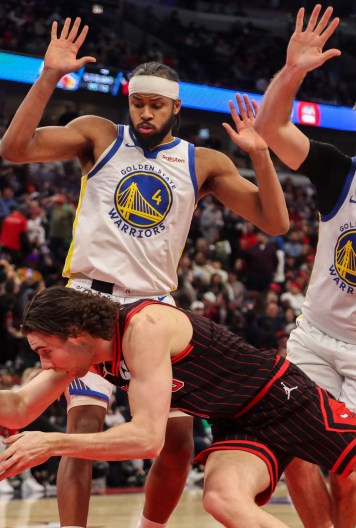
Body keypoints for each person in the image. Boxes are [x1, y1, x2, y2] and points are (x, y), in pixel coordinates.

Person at [0, 17, 289, 528]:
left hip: (154, 309)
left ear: (176, 106)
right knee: (83, 433)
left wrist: (262, 157)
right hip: (89, 300)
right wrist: (48, 77)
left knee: (176, 445)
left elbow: (275, 221)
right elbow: (14, 149)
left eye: (156, 105)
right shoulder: (100, 134)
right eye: (138, 103)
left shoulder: (203, 162)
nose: (145, 113)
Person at [0, 287, 356, 528]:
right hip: (237, 421)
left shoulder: (143, 328)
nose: (44, 364)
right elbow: (17, 409)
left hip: (279, 395)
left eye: (44, 351)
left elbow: (149, 438)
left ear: (76, 333)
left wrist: (53, 442)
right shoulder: (88, 352)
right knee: (223, 500)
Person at [254, 5, 356, 528]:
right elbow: (270, 127)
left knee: (350, 474)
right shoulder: (341, 172)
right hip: (315, 335)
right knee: (292, 452)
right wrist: (293, 71)